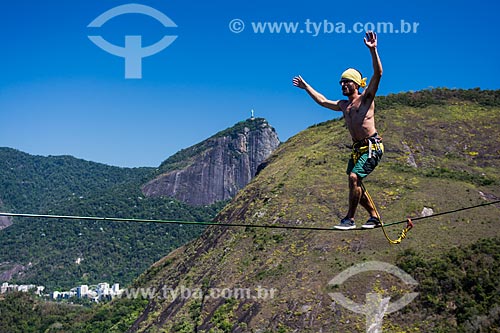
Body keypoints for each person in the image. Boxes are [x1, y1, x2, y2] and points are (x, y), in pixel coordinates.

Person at [292, 31, 383, 230]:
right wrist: (307, 87)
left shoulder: (366, 98)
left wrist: (373, 50)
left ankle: (349, 219)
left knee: (354, 178)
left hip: (372, 146)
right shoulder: (344, 105)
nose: (342, 85)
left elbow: (378, 74)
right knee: (355, 184)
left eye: (346, 81)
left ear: (357, 84)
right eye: (341, 82)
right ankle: (374, 216)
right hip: (358, 149)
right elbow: (323, 101)